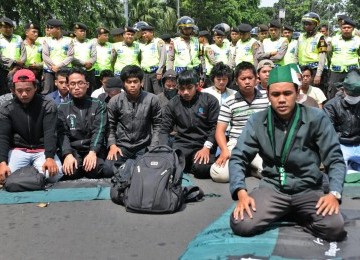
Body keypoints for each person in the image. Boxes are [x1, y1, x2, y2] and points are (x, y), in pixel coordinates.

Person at [229, 64, 346, 242]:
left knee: (334, 228)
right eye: (275, 94)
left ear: (297, 92)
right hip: (273, 188)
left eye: (287, 93)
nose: (281, 99)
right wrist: (241, 192)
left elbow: (335, 159)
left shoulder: (316, 118)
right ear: (268, 95)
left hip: (309, 188)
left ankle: (296, 214)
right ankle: (288, 211)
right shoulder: (257, 120)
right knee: (241, 223)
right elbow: (238, 157)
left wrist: (334, 194)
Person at [0, 69, 63, 184]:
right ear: (13, 90)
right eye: (19, 91)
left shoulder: (47, 105)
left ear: (35, 88)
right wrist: (2, 163)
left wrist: (49, 157)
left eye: (28, 90)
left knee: (53, 175)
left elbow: (50, 133)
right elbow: (3, 137)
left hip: (42, 150)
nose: (24, 94)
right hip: (19, 150)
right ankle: (32, 174)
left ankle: (30, 173)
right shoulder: (6, 108)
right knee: (4, 177)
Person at [210, 62, 269, 183]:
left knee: (274, 173)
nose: (247, 81)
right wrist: (225, 150)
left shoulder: (267, 98)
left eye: (250, 78)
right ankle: (247, 166)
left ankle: (250, 168)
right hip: (236, 144)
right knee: (218, 174)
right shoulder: (229, 102)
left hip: (261, 145)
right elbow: (220, 130)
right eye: (243, 79)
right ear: (236, 81)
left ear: (256, 79)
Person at [159, 69, 220, 179]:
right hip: (182, 144)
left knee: (201, 170)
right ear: (178, 88)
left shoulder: (209, 100)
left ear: (196, 86)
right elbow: (164, 129)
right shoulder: (173, 104)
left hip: (204, 144)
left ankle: (191, 165)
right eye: (182, 89)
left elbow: (215, 127)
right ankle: (187, 164)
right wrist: (163, 151)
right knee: (167, 166)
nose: (185, 92)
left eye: (189, 88)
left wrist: (207, 147)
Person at [103, 65, 162, 176]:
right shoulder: (115, 101)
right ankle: (132, 168)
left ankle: (131, 168)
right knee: (108, 170)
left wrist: (153, 147)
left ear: (141, 82)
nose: (132, 85)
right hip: (122, 147)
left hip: (144, 146)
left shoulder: (152, 99)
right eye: (129, 82)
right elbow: (110, 126)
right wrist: (112, 145)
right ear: (123, 83)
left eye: (135, 81)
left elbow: (158, 125)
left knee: (151, 171)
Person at [57, 68, 108, 180]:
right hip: (73, 149)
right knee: (71, 172)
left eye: (80, 83)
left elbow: (99, 130)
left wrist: (93, 152)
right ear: (68, 86)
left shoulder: (98, 105)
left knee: (95, 170)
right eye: (73, 84)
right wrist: (67, 154)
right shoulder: (62, 107)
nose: (77, 87)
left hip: (92, 148)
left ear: (87, 85)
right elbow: (62, 133)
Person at [323, 70, 360, 174]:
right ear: (343, 90)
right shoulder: (331, 106)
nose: (354, 98)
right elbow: (328, 132)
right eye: (351, 95)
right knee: (340, 173)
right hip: (341, 144)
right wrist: (343, 137)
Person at [327, 17, 360, 99]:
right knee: (332, 92)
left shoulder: (358, 40)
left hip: (352, 71)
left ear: (353, 29)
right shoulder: (334, 39)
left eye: (349, 28)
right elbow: (329, 54)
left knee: (354, 92)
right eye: (344, 28)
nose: (346, 29)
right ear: (341, 29)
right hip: (336, 71)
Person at [297, 12, 328, 93]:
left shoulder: (320, 37)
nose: (306, 26)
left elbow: (322, 58)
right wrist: (296, 71)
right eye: (305, 24)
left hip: (315, 70)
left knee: (316, 94)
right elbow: (295, 55)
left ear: (316, 25)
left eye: (309, 24)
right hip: (302, 69)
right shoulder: (300, 37)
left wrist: (318, 74)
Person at [42, 19, 74, 95]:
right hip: (49, 70)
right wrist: (53, 67)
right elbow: (45, 55)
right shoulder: (46, 40)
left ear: (58, 29)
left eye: (51, 28)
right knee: (48, 91)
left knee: (66, 89)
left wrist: (59, 66)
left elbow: (70, 56)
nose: (49, 30)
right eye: (48, 28)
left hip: (64, 70)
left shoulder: (69, 40)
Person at [0, 17, 26, 95]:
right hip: (3, 70)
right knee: (3, 92)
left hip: (17, 69)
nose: (8, 29)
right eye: (5, 27)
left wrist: (17, 66)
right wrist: (14, 62)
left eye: (10, 27)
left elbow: (24, 53)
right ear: (0, 28)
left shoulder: (18, 38)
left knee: (17, 90)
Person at [139, 25, 166, 95]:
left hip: (155, 73)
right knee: (147, 94)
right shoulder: (144, 45)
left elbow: (163, 57)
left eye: (145, 33)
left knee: (159, 94)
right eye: (143, 34)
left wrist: (160, 71)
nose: (144, 35)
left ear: (152, 33)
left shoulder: (158, 42)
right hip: (146, 74)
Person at [72, 22, 97, 95]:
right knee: (78, 90)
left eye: (84, 31)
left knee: (90, 91)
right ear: (75, 32)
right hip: (76, 70)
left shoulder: (91, 42)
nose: (83, 33)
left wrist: (90, 63)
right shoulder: (71, 42)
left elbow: (94, 56)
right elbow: (71, 57)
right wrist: (84, 63)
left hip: (89, 70)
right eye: (81, 31)